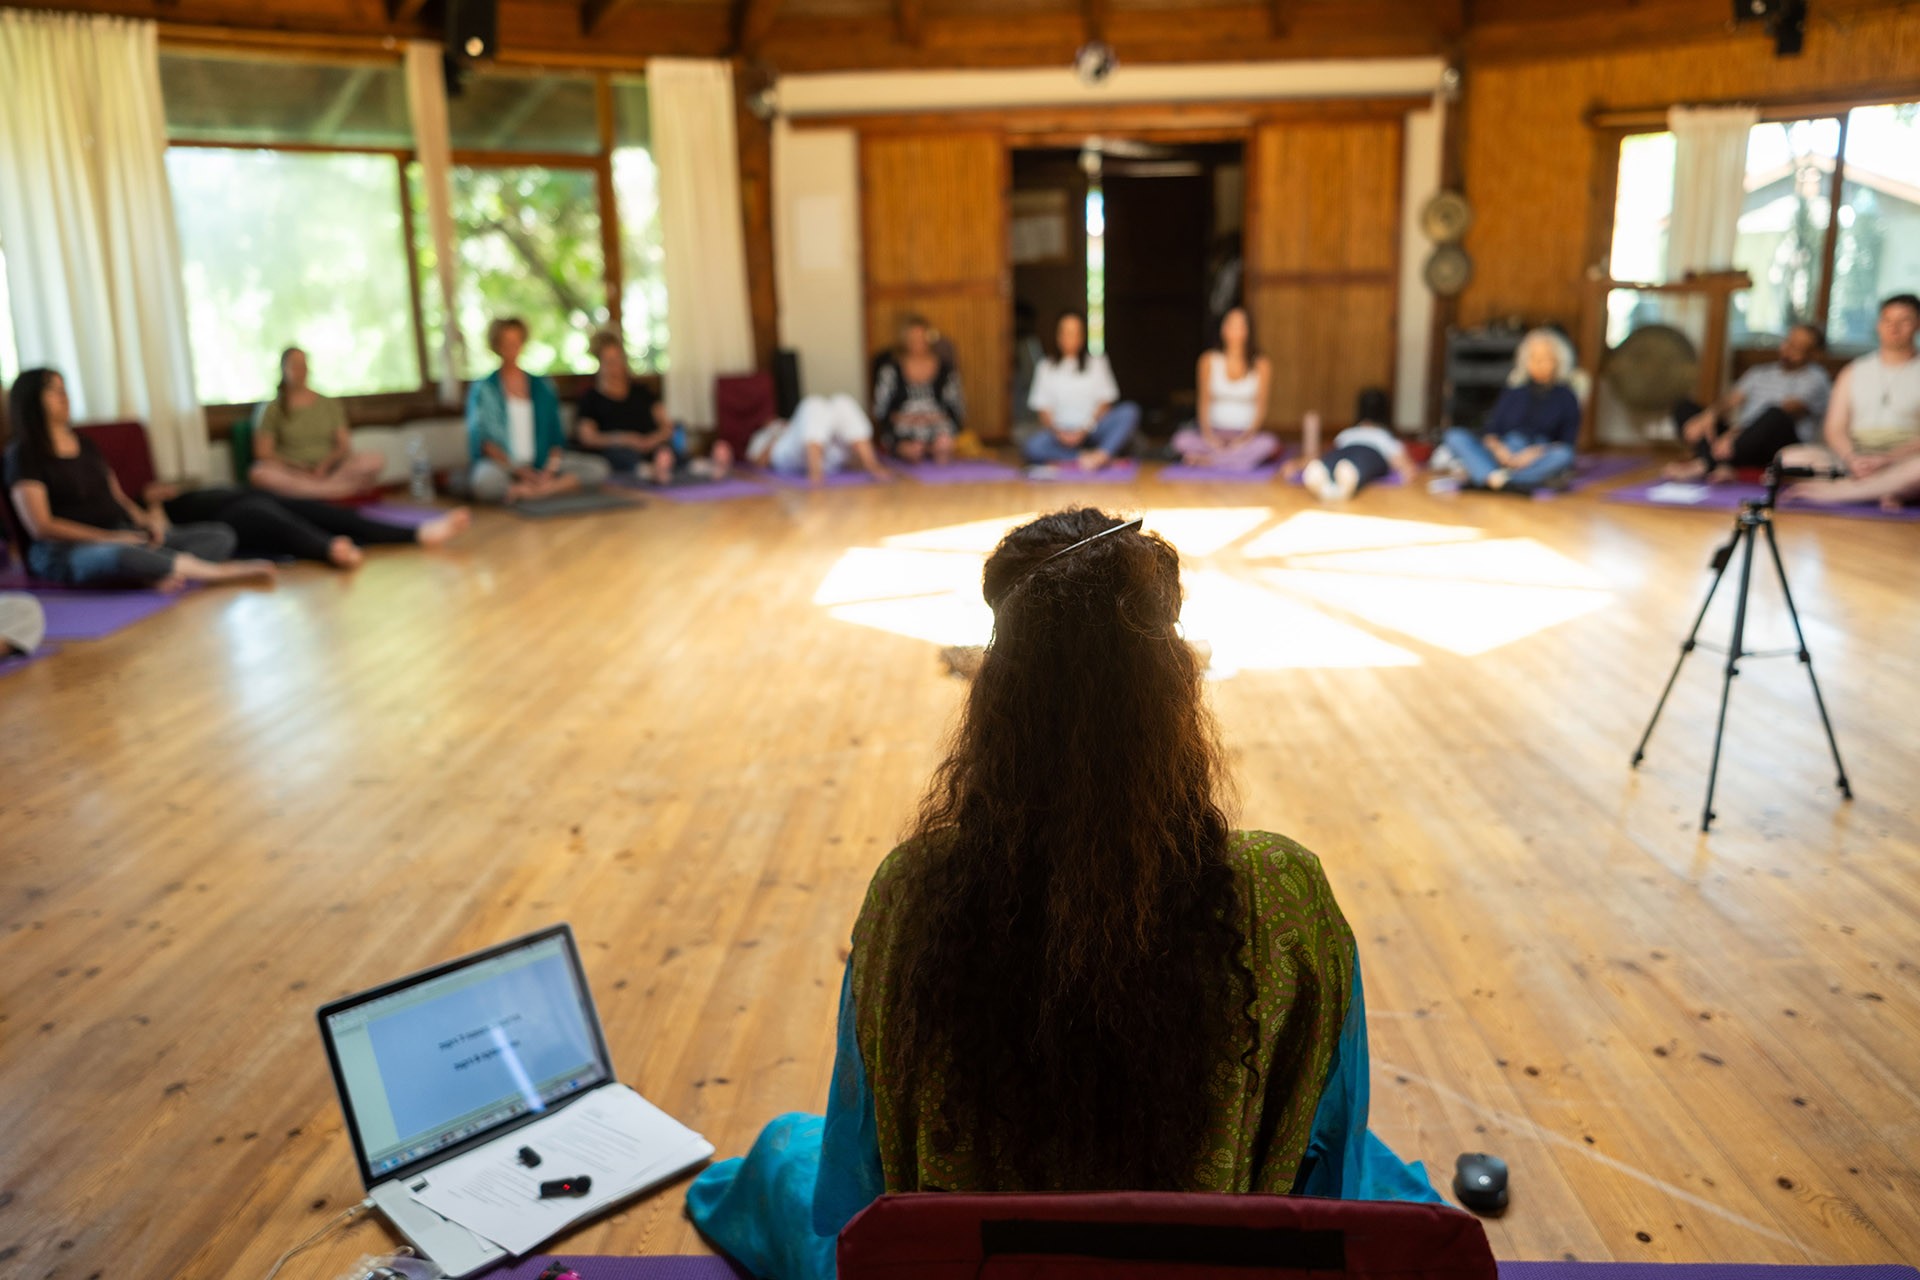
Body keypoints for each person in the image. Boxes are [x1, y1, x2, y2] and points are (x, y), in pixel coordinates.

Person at [685, 508, 1441, 1280]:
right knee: (1384, 1173)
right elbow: (1324, 1166)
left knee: (783, 1150)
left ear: (995, 695)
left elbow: (864, 1181)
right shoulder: (1283, 891)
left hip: (975, 1268)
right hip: (1211, 1262)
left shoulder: (911, 893)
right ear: (1175, 686)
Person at [4, 370, 274, 590]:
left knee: (219, 536)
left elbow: (117, 497)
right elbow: (42, 526)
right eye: (54, 391)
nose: (65, 396)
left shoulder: (85, 445)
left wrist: (146, 523)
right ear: (31, 400)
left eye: (64, 389)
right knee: (119, 555)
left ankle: (151, 571)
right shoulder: (22, 455)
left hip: (122, 532)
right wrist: (110, 539)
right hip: (68, 551)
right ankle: (215, 573)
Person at [1783, 294, 1920, 509]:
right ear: (1878, 325)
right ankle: (1885, 489)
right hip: (1854, 460)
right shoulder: (1853, 371)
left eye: (1904, 321)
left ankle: (1846, 491)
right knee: (1788, 458)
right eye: (1887, 320)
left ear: (1917, 325)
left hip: (1904, 460)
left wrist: (1887, 459)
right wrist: (1852, 459)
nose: (1894, 328)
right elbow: (1834, 429)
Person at [466, 317, 611, 504]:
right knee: (484, 482)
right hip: (505, 467)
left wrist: (549, 470)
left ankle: (537, 491)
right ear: (497, 345)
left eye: (516, 342)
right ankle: (533, 488)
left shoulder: (543, 387)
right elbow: (485, 443)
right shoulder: (485, 389)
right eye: (506, 343)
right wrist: (521, 472)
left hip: (543, 463)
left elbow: (556, 437)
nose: (512, 348)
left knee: (599, 468)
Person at [149, 485, 469, 569]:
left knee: (322, 512)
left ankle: (417, 533)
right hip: (228, 518)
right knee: (264, 515)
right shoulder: (148, 514)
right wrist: (150, 510)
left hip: (246, 496)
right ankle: (327, 548)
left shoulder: (168, 497)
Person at [1665, 324, 1832, 481]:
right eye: (1788, 342)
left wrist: (1738, 433)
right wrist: (1709, 416)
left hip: (1778, 446)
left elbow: (1788, 410)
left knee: (1775, 415)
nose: (1788, 349)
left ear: (1814, 354)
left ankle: (1706, 463)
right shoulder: (1759, 372)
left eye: (1797, 348)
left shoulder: (1817, 378)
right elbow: (1731, 400)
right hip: (1739, 440)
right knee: (1685, 407)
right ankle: (1721, 463)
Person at [575, 330, 731, 485]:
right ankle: (651, 470)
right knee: (620, 456)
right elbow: (588, 437)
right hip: (619, 449)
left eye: (618, 359)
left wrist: (651, 440)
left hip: (652, 445)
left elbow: (666, 425)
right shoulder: (591, 398)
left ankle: (704, 466)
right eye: (609, 361)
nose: (615, 366)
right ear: (600, 363)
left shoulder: (642, 392)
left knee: (668, 450)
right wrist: (624, 439)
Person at [1441, 329, 1581, 493]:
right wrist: (1500, 451)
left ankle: (1493, 478)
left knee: (1564, 456)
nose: (1539, 364)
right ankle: (1503, 480)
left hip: (1537, 456)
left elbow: (1566, 443)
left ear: (1558, 361)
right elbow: (1491, 431)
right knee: (1454, 436)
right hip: (1504, 452)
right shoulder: (1514, 392)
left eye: (1545, 358)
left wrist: (1533, 453)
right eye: (1533, 358)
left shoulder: (1567, 397)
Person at [250, 347, 388, 500]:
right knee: (259, 473)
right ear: (283, 369)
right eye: (295, 365)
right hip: (292, 473)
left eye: (303, 365)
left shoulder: (328, 404)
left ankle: (315, 491)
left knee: (375, 460)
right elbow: (263, 453)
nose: (300, 370)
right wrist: (296, 467)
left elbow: (343, 445)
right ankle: (337, 491)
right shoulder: (272, 409)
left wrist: (325, 465)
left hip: (330, 471)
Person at [1023, 312, 1139, 472]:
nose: (1070, 337)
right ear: (1058, 336)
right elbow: (1043, 410)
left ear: (1082, 337)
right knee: (1033, 446)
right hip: (1060, 433)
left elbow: (1106, 402)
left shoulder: (1097, 362)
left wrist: (1084, 429)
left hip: (1093, 429)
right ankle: (1084, 458)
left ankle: (1101, 455)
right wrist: (1060, 433)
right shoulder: (1045, 367)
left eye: (1074, 333)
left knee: (1129, 411)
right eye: (1065, 332)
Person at [1171, 306, 1277, 470]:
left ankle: (1208, 461)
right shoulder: (1208, 360)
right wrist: (1209, 437)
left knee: (1268, 444)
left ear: (1248, 330)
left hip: (1245, 436)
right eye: (1230, 324)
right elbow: (1203, 402)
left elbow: (1261, 407)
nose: (1234, 330)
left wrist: (1245, 439)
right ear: (1222, 329)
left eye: (1240, 326)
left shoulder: (1261, 364)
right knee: (1180, 440)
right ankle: (1234, 461)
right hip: (1213, 434)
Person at [1288, 389, 1416, 500]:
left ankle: (1322, 471)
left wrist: (1299, 464)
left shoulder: (1347, 433)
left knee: (1331, 460)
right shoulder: (1384, 436)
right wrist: (1407, 469)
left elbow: (1327, 452)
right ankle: (1348, 477)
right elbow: (1400, 461)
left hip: (1345, 449)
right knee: (1361, 465)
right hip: (1371, 452)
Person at [872, 315, 965, 465]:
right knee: (911, 450)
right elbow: (880, 410)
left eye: (922, 338)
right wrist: (904, 418)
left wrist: (934, 418)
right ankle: (910, 449)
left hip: (938, 426)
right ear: (904, 340)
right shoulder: (890, 369)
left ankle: (934, 450)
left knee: (943, 446)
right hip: (903, 428)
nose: (918, 342)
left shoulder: (945, 369)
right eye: (913, 339)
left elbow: (956, 408)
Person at [746, 394, 892, 486]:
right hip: (793, 454)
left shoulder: (792, 422)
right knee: (812, 404)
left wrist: (788, 425)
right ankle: (815, 474)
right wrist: (777, 434)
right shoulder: (760, 436)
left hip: (827, 452)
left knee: (843, 402)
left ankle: (872, 464)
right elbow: (758, 463)